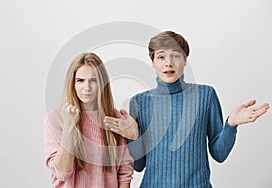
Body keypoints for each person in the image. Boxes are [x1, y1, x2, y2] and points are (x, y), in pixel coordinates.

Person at [104, 31, 270, 187]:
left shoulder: (206, 95)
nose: (168, 63)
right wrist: (134, 137)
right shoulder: (139, 102)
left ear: (185, 61)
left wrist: (231, 125)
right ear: (153, 62)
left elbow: (219, 154)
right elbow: (140, 165)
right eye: (161, 57)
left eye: (176, 56)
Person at [44, 52, 134, 188]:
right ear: (72, 83)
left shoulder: (115, 118)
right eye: (80, 80)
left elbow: (124, 175)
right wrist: (69, 127)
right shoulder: (55, 119)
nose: (87, 88)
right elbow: (62, 173)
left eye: (93, 80)